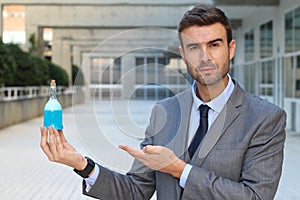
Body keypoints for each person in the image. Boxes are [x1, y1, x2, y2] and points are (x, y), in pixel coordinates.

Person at [40, 4, 286, 200]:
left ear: (231, 49)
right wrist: (82, 165)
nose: (205, 57)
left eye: (214, 45)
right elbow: (136, 191)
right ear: (183, 54)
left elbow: (255, 196)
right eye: (194, 48)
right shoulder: (164, 112)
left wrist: (179, 169)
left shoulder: (264, 118)